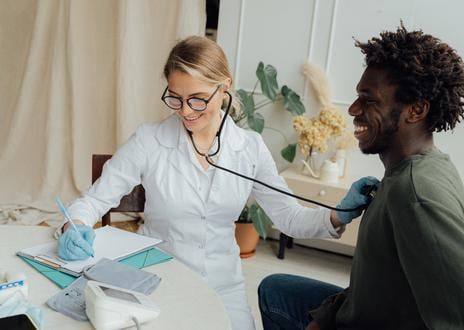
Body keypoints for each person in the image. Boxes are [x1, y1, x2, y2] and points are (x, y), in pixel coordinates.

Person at [54, 36, 377, 330]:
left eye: (197, 99)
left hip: (222, 284)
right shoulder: (149, 140)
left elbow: (288, 217)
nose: (185, 111)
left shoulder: (248, 148)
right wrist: (75, 224)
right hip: (157, 276)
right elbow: (96, 199)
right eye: (175, 98)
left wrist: (337, 215)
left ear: (225, 87)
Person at [257, 25, 464, 329]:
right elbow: (379, 283)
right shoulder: (415, 168)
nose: (354, 109)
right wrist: (322, 319)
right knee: (275, 291)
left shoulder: (416, 194)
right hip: (367, 312)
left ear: (416, 110)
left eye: (368, 99)